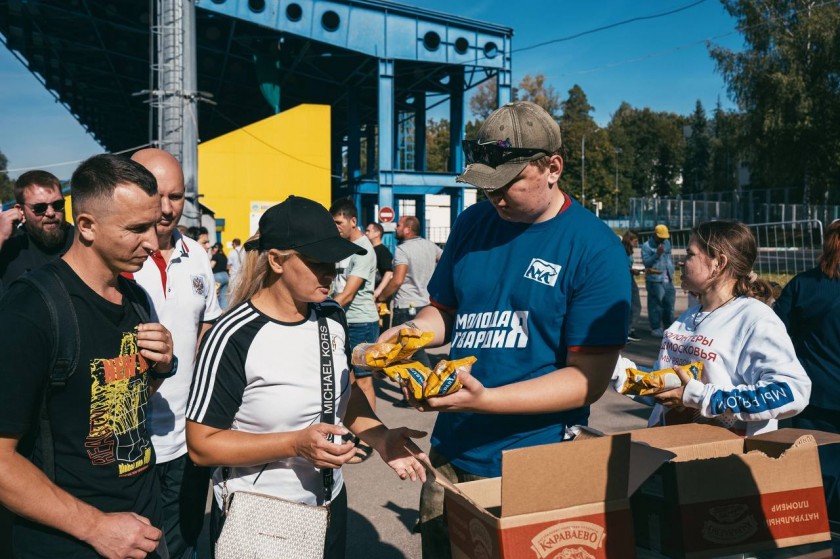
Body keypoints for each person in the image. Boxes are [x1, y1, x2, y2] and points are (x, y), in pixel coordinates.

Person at [377, 101, 630, 559]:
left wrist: (486, 400)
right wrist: (410, 333)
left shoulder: (595, 248)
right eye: (485, 186)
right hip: (450, 454)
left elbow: (587, 381)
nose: (494, 198)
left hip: (533, 463)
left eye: (507, 184)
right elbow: (446, 313)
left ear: (552, 167)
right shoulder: (474, 222)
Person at [184, 196, 427, 559]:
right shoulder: (232, 335)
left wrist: (381, 437)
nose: (331, 272)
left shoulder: (330, 314)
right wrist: (295, 444)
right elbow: (201, 445)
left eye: (334, 260)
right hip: (260, 514)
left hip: (330, 504)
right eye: (318, 262)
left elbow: (340, 392)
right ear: (278, 261)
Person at [0, 154, 176, 558]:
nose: (152, 242)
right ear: (86, 226)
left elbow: (117, 400)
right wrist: (95, 527)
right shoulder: (30, 311)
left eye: (153, 225)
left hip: (145, 530)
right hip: (70, 542)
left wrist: (161, 368)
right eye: (136, 229)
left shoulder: (135, 298)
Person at [614, 220, 810, 437]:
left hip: (722, 462)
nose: (681, 262)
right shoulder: (689, 316)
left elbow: (792, 391)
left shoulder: (755, 318)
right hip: (666, 454)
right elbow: (663, 389)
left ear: (719, 263)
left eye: (690, 254)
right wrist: (614, 370)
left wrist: (699, 397)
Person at [129, 148, 223, 559]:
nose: (166, 210)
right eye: (156, 195)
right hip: (128, 439)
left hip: (187, 436)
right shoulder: (118, 258)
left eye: (176, 196)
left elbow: (206, 330)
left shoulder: (197, 255)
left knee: (185, 540)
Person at [774, 220, 840, 520]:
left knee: (809, 467)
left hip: (809, 393)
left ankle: (808, 526)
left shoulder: (802, 284)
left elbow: (776, 336)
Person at [329, 198, 379, 463]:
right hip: (344, 322)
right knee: (345, 381)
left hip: (362, 324)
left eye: (338, 222)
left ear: (352, 221)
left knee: (364, 381)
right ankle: (350, 431)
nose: (335, 227)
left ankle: (369, 439)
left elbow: (346, 295)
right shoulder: (344, 248)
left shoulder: (363, 250)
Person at [377, 214, 442, 370]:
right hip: (426, 304)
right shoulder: (430, 246)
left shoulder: (402, 250)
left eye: (398, 225)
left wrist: (381, 297)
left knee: (408, 350)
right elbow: (445, 261)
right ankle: (420, 387)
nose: (395, 228)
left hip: (406, 305)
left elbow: (398, 279)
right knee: (414, 347)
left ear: (407, 229)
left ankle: (426, 385)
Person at [0, 170, 74, 295]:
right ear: (20, 210)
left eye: (57, 204)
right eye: (40, 208)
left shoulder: (81, 240)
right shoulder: (9, 247)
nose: (50, 213)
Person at [642, 224, 676, 336]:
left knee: (669, 305)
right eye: (661, 237)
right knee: (655, 304)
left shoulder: (666, 242)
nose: (663, 239)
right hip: (655, 280)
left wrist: (672, 269)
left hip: (668, 278)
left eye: (665, 237)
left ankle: (669, 327)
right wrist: (657, 254)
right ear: (655, 234)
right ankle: (656, 327)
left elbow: (668, 258)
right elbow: (647, 263)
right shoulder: (646, 246)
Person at [364, 222, 393, 303]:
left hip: (378, 298)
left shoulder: (383, 252)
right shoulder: (369, 250)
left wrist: (378, 291)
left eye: (368, 231)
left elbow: (389, 272)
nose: (366, 233)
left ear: (377, 233)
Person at [621, 230, 642, 342]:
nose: (636, 243)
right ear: (630, 240)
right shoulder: (622, 250)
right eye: (635, 241)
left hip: (630, 278)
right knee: (635, 305)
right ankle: (628, 330)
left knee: (633, 306)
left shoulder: (628, 250)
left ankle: (628, 329)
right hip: (627, 279)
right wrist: (631, 270)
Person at [211, 243, 229, 309]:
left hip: (217, 276)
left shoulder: (215, 256)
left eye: (213, 248)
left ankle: (217, 312)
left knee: (216, 296)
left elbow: (211, 266)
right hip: (225, 276)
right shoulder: (224, 256)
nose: (212, 250)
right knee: (224, 296)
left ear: (216, 248)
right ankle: (225, 311)